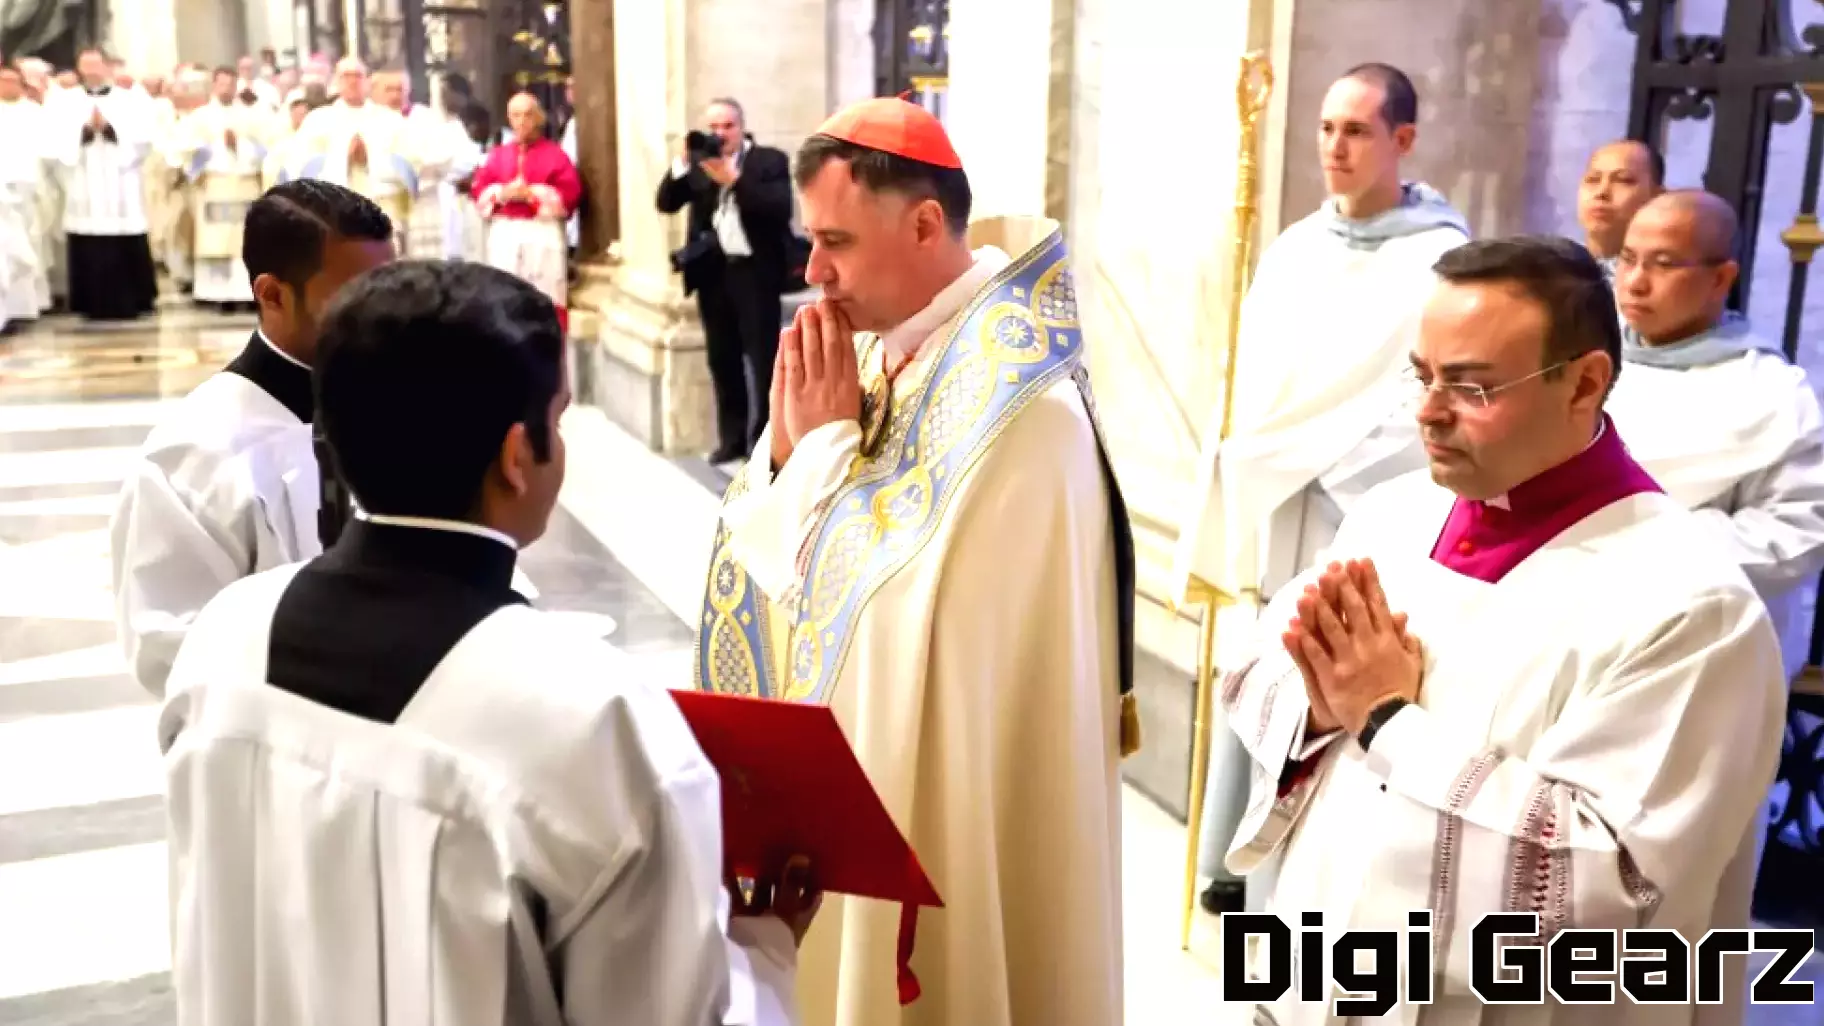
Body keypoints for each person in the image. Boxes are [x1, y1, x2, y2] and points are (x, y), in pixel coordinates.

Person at [158, 259, 812, 1026]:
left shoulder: (221, 644)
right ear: (515, 457)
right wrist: (762, 954)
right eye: (558, 420)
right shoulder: (592, 718)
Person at [1219, 236, 1784, 1026]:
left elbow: (1613, 885)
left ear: (1585, 382)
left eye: (1471, 386)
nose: (1427, 412)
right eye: (1422, 377)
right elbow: (1253, 672)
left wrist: (1388, 722)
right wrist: (1318, 702)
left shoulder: (1690, 608)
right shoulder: (1391, 513)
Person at [695, 97, 1131, 1026]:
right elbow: (793, 574)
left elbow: (882, 623)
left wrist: (815, 456)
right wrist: (784, 456)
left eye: (835, 243)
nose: (812, 273)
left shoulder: (1025, 417)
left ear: (926, 223)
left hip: (936, 804)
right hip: (861, 781)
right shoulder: (881, 350)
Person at [1171, 61, 1469, 915]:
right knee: (1265, 662)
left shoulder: (1438, 260)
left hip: (1358, 502)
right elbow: (1256, 373)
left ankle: (1293, 883)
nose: (1334, 147)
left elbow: (1421, 397)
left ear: (1402, 141)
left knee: (1328, 683)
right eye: (1326, 128)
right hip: (1280, 499)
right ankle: (1236, 858)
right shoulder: (1298, 244)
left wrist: (1316, 460)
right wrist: (1254, 450)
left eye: (1356, 131)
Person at [110, 180, 396, 697]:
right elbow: (173, 646)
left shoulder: (398, 409)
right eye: (354, 298)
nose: (383, 319)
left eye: (390, 290)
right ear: (272, 294)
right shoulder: (194, 455)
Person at [1605, 190, 1824, 680]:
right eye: (1628, 259)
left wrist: (1646, 541)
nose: (1636, 282)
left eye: (1662, 264)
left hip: (1696, 644)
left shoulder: (1768, 392)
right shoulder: (1584, 352)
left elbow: (1800, 530)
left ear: (1721, 278)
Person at [656, 97, 794, 465]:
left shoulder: (768, 161)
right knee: (722, 360)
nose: (720, 134)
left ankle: (763, 442)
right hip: (714, 276)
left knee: (763, 360)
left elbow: (780, 209)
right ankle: (731, 438)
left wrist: (734, 180)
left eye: (727, 126)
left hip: (755, 275)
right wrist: (684, 162)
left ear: (741, 126)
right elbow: (666, 202)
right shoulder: (699, 166)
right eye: (713, 128)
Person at [52, 47, 157, 321]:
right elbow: (55, 141)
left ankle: (133, 299)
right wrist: (84, 131)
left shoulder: (128, 99)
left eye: (96, 65)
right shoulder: (65, 101)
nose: (92, 71)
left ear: (106, 67)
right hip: (85, 180)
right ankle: (89, 303)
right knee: (89, 237)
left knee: (123, 236)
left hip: (119, 182)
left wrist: (111, 129)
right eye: (86, 66)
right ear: (79, 68)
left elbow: (144, 137)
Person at [287, 57, 420, 250]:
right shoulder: (318, 121)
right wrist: (343, 159)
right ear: (336, 82)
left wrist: (371, 159)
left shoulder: (390, 120)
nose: (352, 81)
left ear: (367, 81)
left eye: (357, 76)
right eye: (346, 76)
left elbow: (410, 166)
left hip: (381, 211)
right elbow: (302, 168)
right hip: (334, 215)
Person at [474, 92, 581, 329]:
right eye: (516, 115)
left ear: (539, 118)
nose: (522, 121)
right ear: (509, 119)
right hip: (506, 233)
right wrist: (502, 193)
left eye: (528, 115)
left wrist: (532, 195)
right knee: (505, 300)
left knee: (544, 300)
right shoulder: (497, 155)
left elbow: (570, 194)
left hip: (541, 233)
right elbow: (480, 190)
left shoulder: (556, 155)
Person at [170, 66, 269, 307]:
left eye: (231, 84)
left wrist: (240, 146)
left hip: (245, 182)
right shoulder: (200, 117)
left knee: (242, 240)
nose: (226, 89)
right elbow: (184, 149)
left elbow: (268, 149)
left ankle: (246, 294)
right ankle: (215, 294)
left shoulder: (252, 115)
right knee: (216, 239)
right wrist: (214, 149)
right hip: (214, 183)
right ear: (214, 85)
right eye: (222, 84)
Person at [0, 65, 49, 323]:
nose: (6, 86)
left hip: (29, 184)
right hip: (2, 189)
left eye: (11, 81)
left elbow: (47, 147)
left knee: (31, 243)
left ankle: (33, 303)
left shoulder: (34, 112)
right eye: (2, 81)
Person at [1577, 139, 1664, 281]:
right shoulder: (1548, 267)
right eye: (1593, 179)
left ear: (1656, 196)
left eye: (1623, 180)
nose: (1601, 192)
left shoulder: (1660, 280)